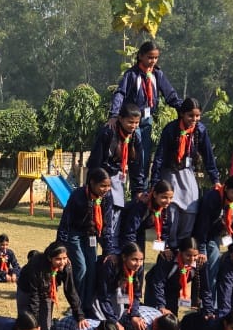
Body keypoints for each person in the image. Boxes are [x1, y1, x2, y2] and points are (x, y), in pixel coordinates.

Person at [108, 41, 184, 182]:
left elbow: (170, 95)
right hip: (132, 121)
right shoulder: (131, 74)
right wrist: (113, 114)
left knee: (145, 155)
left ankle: (141, 189)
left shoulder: (157, 74)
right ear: (141, 56)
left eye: (155, 58)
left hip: (147, 120)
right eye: (150, 57)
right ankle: (133, 187)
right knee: (137, 154)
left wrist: (184, 109)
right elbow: (120, 93)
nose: (153, 61)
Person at [150, 97, 220, 245]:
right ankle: (170, 246)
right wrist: (155, 183)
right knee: (171, 212)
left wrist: (216, 180)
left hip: (188, 174)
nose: (194, 119)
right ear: (182, 114)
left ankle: (185, 248)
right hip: (170, 175)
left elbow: (209, 157)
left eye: (197, 116)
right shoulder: (171, 129)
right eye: (191, 115)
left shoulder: (200, 130)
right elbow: (160, 157)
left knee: (191, 208)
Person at [16, 242, 83, 330]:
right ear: (49, 258)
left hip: (48, 291)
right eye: (58, 259)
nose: (62, 262)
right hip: (27, 291)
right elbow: (34, 299)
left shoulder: (66, 266)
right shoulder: (36, 266)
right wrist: (34, 325)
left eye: (64, 258)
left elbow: (71, 291)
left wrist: (79, 315)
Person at [56, 168, 118, 308]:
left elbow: (106, 225)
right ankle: (77, 304)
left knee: (92, 268)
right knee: (81, 268)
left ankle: (88, 305)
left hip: (91, 235)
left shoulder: (107, 198)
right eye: (102, 186)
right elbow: (65, 221)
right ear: (92, 183)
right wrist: (60, 246)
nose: (106, 189)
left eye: (108, 186)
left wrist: (108, 250)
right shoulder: (78, 195)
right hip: (75, 234)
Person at [193, 175, 233, 289]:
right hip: (203, 236)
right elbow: (202, 225)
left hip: (217, 235)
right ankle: (208, 304)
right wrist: (202, 249)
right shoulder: (212, 198)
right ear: (226, 188)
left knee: (215, 270)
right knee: (211, 269)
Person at [88, 104, 147, 204]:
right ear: (120, 119)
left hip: (118, 178)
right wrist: (92, 184)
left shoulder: (135, 137)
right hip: (102, 178)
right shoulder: (108, 133)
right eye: (130, 122)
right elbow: (95, 160)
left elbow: (137, 166)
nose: (133, 126)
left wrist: (139, 190)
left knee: (117, 209)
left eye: (137, 123)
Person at [146, 236, 208, 315]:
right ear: (180, 252)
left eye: (195, 255)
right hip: (155, 287)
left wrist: (208, 310)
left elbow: (205, 288)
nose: (192, 259)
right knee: (155, 314)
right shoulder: (168, 259)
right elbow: (158, 283)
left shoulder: (199, 264)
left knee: (172, 316)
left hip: (173, 289)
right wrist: (161, 306)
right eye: (188, 255)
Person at [88, 243, 145, 323]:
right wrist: (114, 321)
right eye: (134, 259)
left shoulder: (138, 267)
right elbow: (103, 296)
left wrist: (134, 315)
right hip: (100, 294)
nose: (138, 264)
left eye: (141, 259)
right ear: (124, 257)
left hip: (118, 293)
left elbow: (136, 294)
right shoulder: (111, 264)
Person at [120, 181, 176, 256]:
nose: (168, 201)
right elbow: (130, 230)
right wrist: (132, 251)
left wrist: (164, 248)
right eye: (164, 197)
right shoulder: (142, 204)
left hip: (139, 232)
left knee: (140, 260)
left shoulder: (163, 207)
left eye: (171, 198)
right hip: (122, 232)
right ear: (155, 194)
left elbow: (164, 230)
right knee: (133, 257)